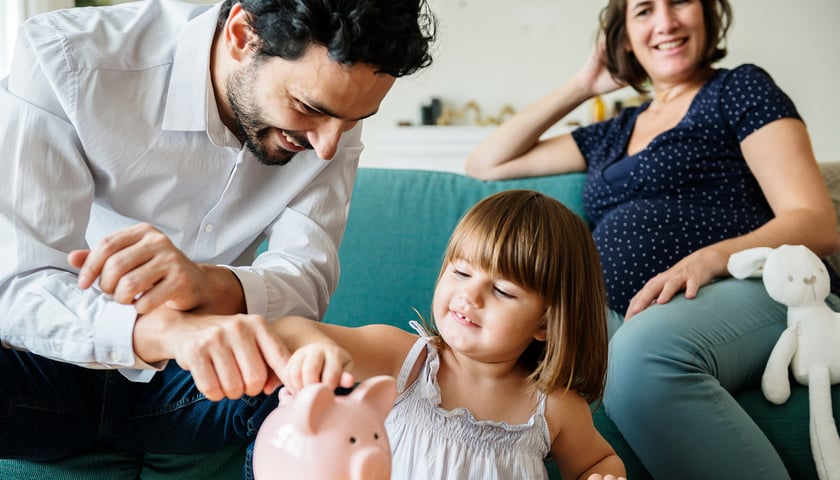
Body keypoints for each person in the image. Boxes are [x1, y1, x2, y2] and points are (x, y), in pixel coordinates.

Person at [0, 0, 435, 472]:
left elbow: (305, 281)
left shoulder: (331, 122)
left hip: (196, 389)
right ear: (242, 34)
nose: (328, 146)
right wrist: (169, 330)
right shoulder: (65, 58)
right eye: (309, 108)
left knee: (322, 389)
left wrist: (209, 285)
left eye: (352, 121)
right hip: (45, 373)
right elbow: (16, 287)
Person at [464, 0, 840, 477]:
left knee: (640, 360)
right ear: (623, 37)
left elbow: (815, 221)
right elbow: (485, 163)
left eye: (680, 2)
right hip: (633, 311)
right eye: (643, 10)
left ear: (707, 14)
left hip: (751, 286)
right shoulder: (614, 131)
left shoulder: (738, 88)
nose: (665, 22)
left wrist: (707, 260)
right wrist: (583, 85)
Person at [273, 190, 627, 480]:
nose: (470, 296)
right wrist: (316, 350)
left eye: (502, 291)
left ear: (546, 324)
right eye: (461, 272)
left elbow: (598, 463)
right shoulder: (404, 360)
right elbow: (288, 329)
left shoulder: (554, 407)